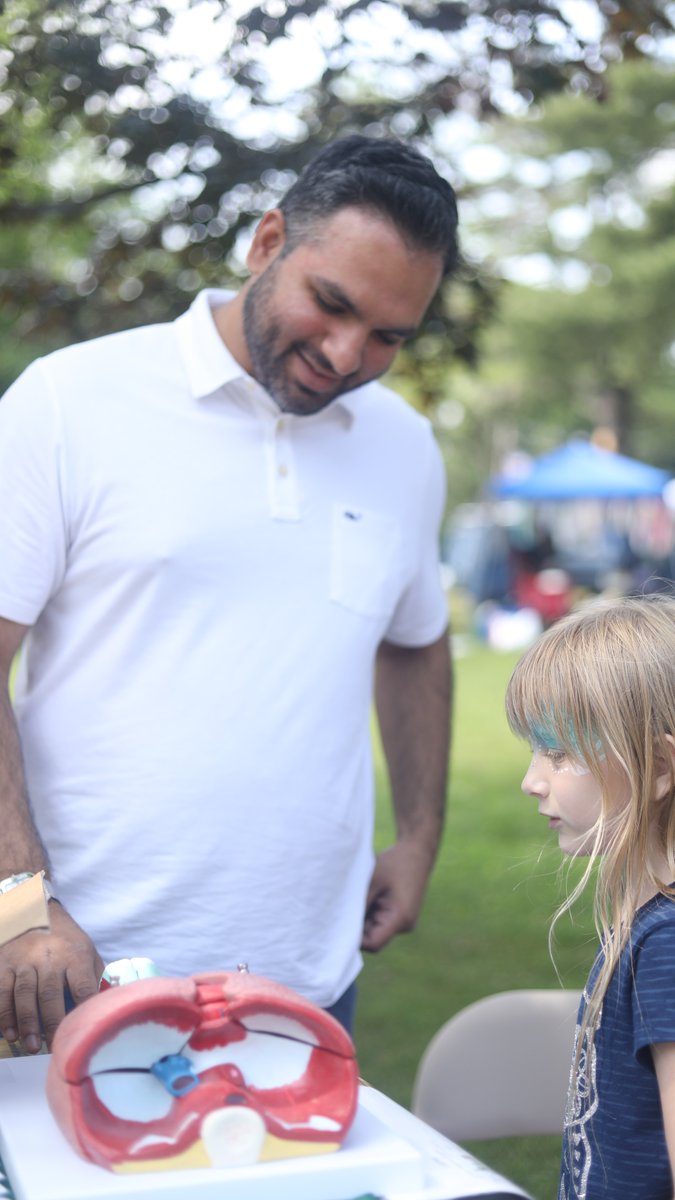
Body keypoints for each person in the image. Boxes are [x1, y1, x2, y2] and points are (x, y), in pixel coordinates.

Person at [0, 135, 458, 1051]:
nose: (344, 353)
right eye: (330, 304)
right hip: (73, 975)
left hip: (308, 987)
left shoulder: (404, 445)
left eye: (387, 336)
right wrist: (19, 905)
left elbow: (414, 642)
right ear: (267, 241)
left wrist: (418, 835)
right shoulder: (69, 402)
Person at [506, 594, 675, 1199]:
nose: (532, 781)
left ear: (658, 766)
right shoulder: (650, 927)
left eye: (558, 753)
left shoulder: (666, 946)